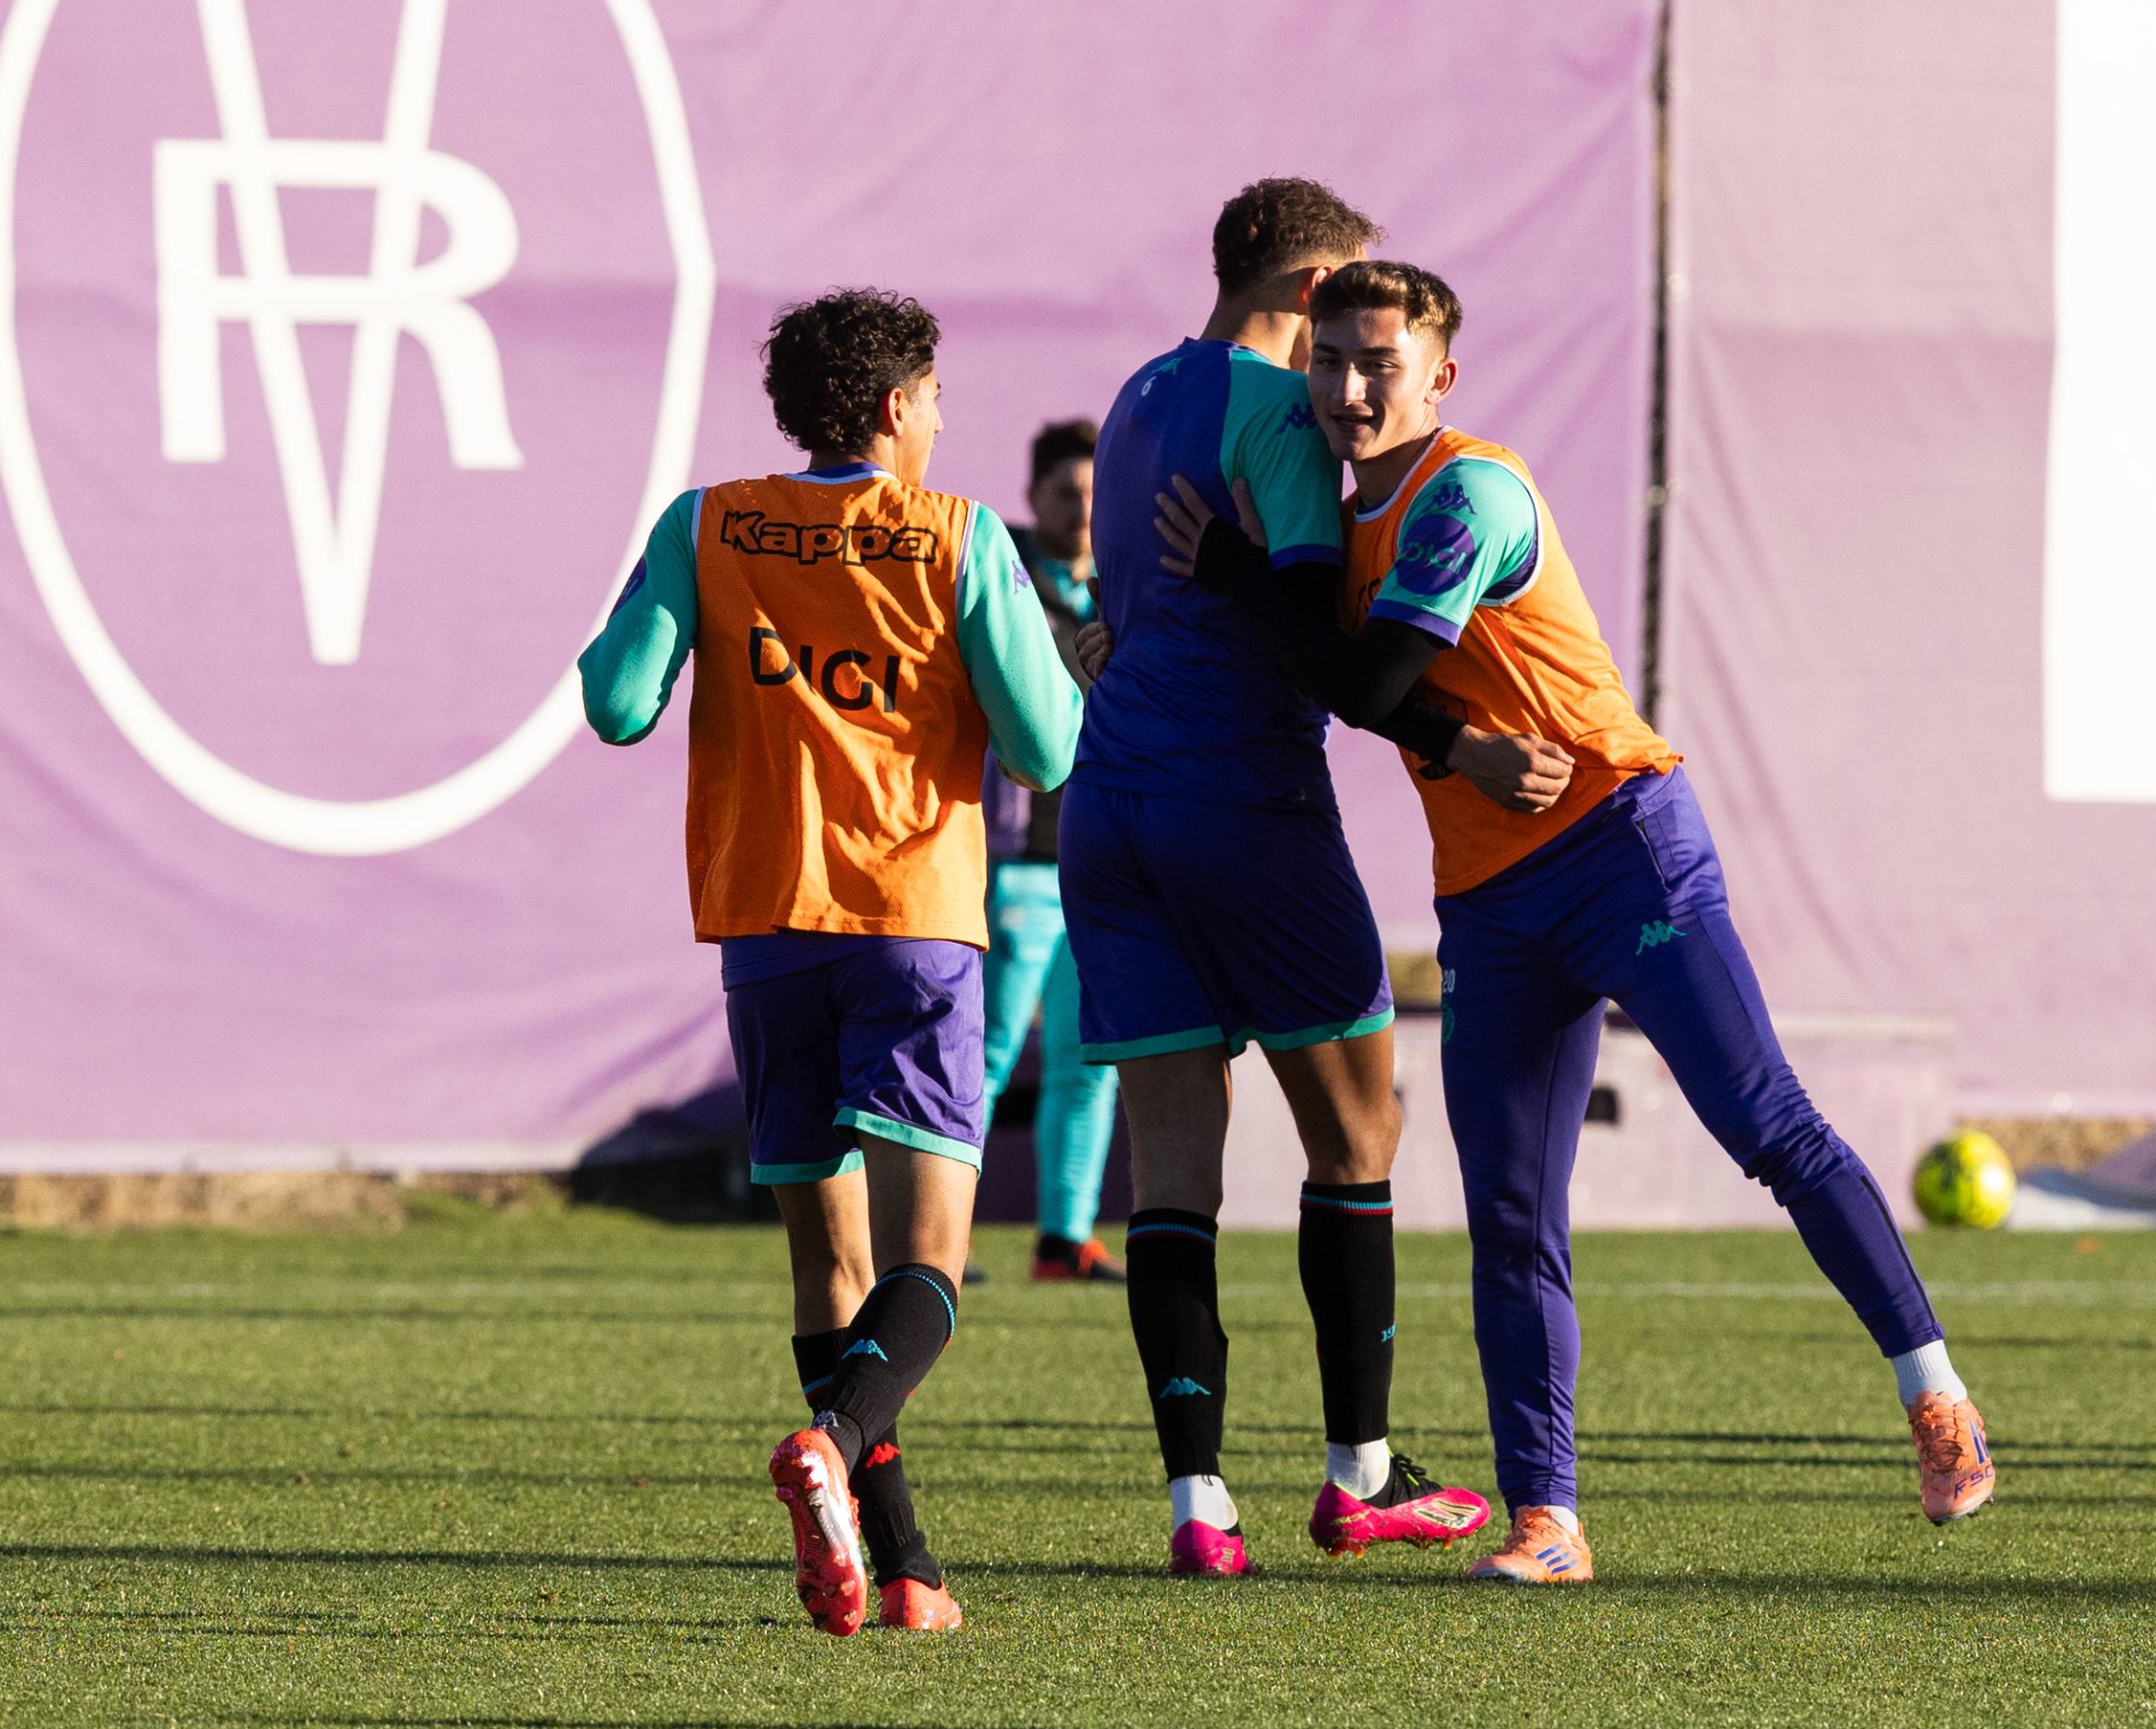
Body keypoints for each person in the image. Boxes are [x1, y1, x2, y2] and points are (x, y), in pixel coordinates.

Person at [1151, 258, 1998, 1586]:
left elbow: (1364, 679)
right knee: (1506, 1215)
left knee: (1763, 1126)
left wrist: (1239, 581)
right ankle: (1548, 1520)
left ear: (1441, 377)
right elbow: (1321, 661)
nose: (1348, 388)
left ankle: (1932, 1391)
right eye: (1329, 360)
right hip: (1489, 900)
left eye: (1380, 363)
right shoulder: (1327, 511)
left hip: (1617, 847)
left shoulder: (1466, 492)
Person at [578, 287, 1081, 1635]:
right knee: (929, 1263)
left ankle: (904, 1567)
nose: (936, 417)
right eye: (930, 396)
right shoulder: (957, 537)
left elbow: (619, 706)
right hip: (912, 921)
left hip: (764, 932)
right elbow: (1045, 752)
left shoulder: (705, 524)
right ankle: (835, 1442)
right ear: (894, 406)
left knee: (826, 1261)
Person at [1064, 179, 1538, 1577]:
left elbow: (1120, 608)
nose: (1345, 365)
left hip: (1110, 807)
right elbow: (1323, 643)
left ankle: (1196, 1507)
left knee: (1170, 1176)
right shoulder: (1274, 415)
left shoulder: (1140, 391)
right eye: (1341, 314)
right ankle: (1360, 1473)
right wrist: (1456, 730)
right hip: (1240, 799)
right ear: (1315, 283)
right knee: (1357, 1141)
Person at [979, 418, 1127, 1284]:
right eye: (1065, 493)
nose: (1080, 509)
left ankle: (1063, 1238)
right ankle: (936, 1244)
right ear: (1031, 497)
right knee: (984, 1054)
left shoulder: (1125, 587)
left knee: (1087, 1058)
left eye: (1093, 493)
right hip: (1020, 859)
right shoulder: (1000, 580)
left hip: (1105, 858)